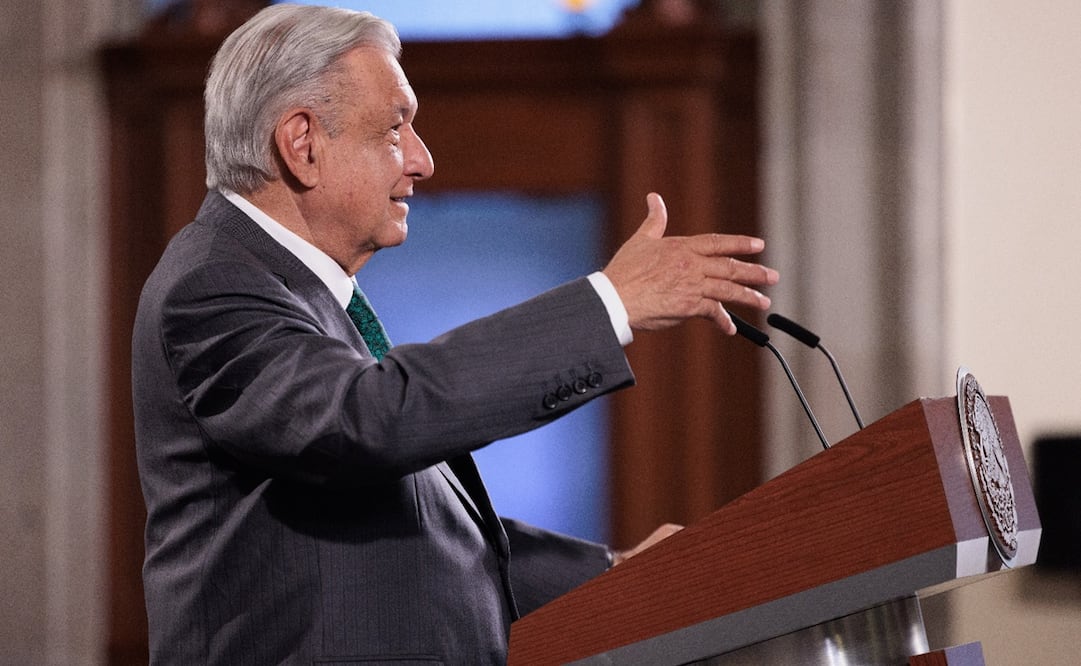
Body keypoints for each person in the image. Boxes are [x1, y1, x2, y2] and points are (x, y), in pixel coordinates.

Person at [131, 4, 779, 665]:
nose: (422, 160)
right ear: (303, 144)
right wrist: (608, 303)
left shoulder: (297, 290)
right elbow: (368, 420)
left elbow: (415, 522)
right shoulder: (214, 284)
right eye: (394, 130)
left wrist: (614, 573)